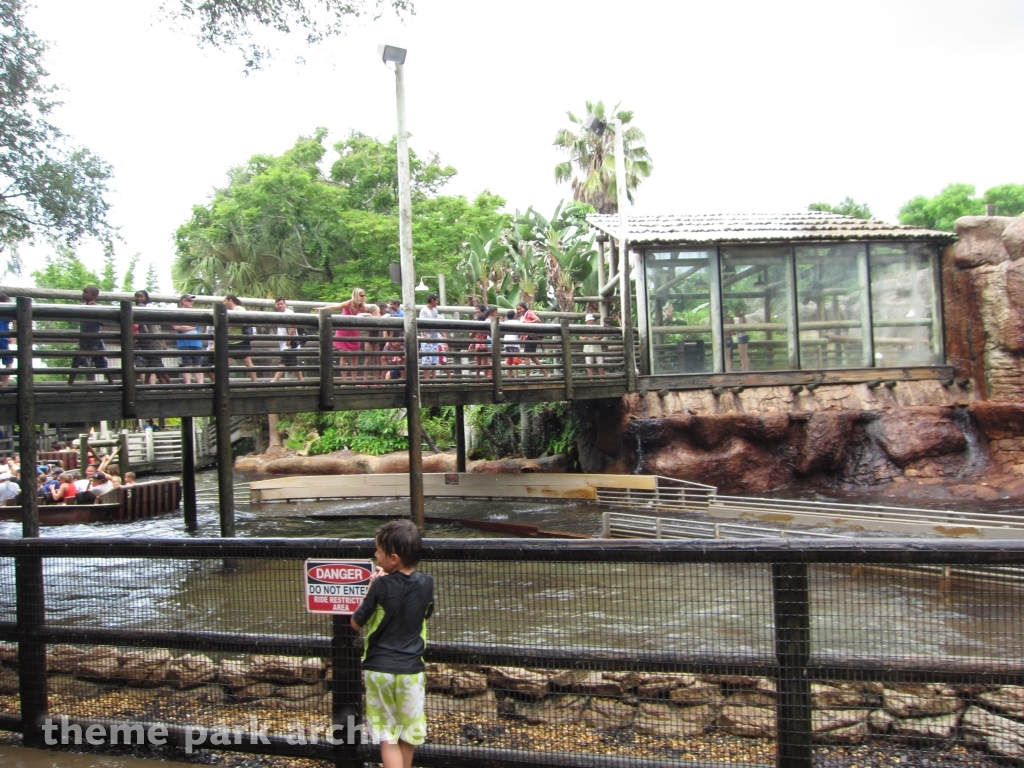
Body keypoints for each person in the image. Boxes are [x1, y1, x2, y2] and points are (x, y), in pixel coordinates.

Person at [351, 520, 434, 768]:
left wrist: (371, 589)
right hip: (411, 670)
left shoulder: (380, 584)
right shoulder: (427, 583)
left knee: (387, 735)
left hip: (379, 670)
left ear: (393, 558)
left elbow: (356, 623)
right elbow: (425, 613)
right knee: (408, 734)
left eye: (378, 551)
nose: (375, 555)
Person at [317, 288, 378, 382]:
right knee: (343, 357)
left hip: (355, 333)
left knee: (355, 357)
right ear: (356, 295)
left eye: (364, 295)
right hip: (343, 333)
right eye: (361, 295)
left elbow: (372, 315)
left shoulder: (363, 307)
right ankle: (344, 380)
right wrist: (322, 309)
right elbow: (334, 307)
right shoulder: (348, 303)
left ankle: (353, 380)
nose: (363, 297)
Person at [68, 286, 116, 385]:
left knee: (102, 363)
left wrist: (95, 311)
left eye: (86, 292)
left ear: (94, 295)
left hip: (95, 340)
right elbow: (72, 319)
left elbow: (103, 322)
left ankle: (111, 383)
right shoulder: (81, 307)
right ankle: (69, 384)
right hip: (83, 340)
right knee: (76, 362)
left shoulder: (98, 307)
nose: (83, 294)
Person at [134, 290, 172, 385]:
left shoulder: (141, 308)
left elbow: (145, 327)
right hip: (153, 339)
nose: (139, 299)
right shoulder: (152, 309)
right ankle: (162, 384)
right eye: (137, 297)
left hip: (150, 340)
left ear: (146, 297)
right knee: (152, 362)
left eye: (141, 296)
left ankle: (168, 383)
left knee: (155, 362)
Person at [223, 295, 258, 383]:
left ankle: (254, 383)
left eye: (225, 300)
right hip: (230, 342)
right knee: (225, 365)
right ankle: (224, 385)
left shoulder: (240, 309)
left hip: (241, 341)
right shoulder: (226, 311)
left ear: (230, 300)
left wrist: (229, 326)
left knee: (247, 362)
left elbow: (243, 321)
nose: (224, 303)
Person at [173, 294, 206, 385]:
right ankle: (188, 387)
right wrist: (192, 327)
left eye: (192, 301)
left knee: (198, 366)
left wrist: (184, 327)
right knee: (186, 366)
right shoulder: (177, 313)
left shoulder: (195, 313)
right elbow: (176, 327)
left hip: (196, 343)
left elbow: (196, 325)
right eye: (190, 300)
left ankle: (201, 387)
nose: (192, 302)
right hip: (183, 344)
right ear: (183, 301)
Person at [272, 297, 304, 383]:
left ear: (285, 304)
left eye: (281, 304)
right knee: (294, 363)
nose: (280, 306)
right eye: (278, 304)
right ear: (275, 305)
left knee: (283, 362)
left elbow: (293, 326)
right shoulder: (278, 314)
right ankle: (302, 382)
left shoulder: (289, 313)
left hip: (289, 343)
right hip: (285, 343)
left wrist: (289, 339)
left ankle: (274, 381)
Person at [417, 293, 446, 380]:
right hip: (427, 339)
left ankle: (433, 379)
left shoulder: (435, 311)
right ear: (432, 300)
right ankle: (427, 379)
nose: (437, 302)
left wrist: (442, 335)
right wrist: (425, 336)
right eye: (436, 300)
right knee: (426, 360)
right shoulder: (424, 311)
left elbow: (437, 324)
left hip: (435, 337)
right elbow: (421, 324)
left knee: (434, 360)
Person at [515, 302, 548, 377]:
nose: (519, 310)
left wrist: (527, 322)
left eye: (520, 309)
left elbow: (538, 320)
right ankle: (546, 373)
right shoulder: (522, 316)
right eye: (518, 309)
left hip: (531, 337)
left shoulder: (529, 313)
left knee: (527, 357)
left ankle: (527, 377)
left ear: (525, 308)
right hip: (528, 337)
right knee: (533, 357)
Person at [502, 310, 523, 377]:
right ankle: (516, 377)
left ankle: (509, 377)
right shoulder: (517, 322)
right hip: (514, 342)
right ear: (514, 316)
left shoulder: (505, 322)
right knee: (515, 361)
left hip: (506, 342)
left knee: (509, 360)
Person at [0, 293, 12, 388]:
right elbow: (17, 321)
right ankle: (4, 386)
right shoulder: (7, 311)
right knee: (8, 363)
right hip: (3, 339)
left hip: (4, 339)